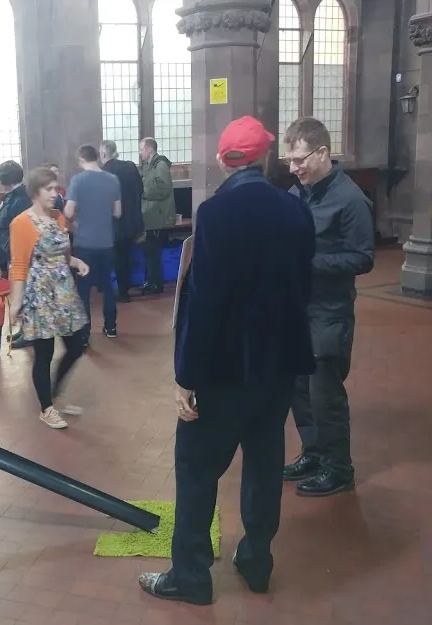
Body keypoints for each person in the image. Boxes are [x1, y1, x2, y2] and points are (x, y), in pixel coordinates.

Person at [138, 116, 316, 605]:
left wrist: (185, 376)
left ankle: (191, 577)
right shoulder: (295, 210)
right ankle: (257, 560)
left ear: (222, 159)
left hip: (223, 370)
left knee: (197, 469)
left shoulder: (215, 214)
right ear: (263, 158)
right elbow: (304, 286)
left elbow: (206, 300)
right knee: (264, 462)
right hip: (278, 367)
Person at [280, 117, 375, 498]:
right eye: (289, 160)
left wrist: (306, 264)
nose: (293, 168)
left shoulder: (351, 200)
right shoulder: (300, 191)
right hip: (297, 309)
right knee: (298, 388)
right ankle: (313, 453)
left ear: (323, 153)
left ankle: (339, 469)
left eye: (300, 159)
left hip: (329, 313)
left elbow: (363, 258)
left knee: (325, 394)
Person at [8, 167, 91, 429]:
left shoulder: (58, 218)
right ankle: (46, 408)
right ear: (35, 192)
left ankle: (53, 394)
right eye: (50, 189)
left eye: (57, 189)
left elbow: (63, 254)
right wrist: (16, 303)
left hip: (64, 290)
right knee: (43, 353)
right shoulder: (21, 223)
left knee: (77, 345)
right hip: (40, 293)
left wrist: (76, 262)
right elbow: (19, 266)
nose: (56, 194)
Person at [63, 145, 122, 339]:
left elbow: (69, 213)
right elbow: (117, 212)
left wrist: (76, 218)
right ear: (97, 157)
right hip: (107, 242)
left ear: (81, 160)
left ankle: (84, 335)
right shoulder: (113, 180)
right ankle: (111, 327)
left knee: (83, 291)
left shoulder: (77, 181)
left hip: (84, 243)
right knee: (108, 287)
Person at [99, 140, 144, 303]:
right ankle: (126, 286)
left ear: (104, 154)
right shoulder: (130, 166)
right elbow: (141, 189)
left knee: (117, 257)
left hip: (114, 221)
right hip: (133, 220)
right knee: (126, 255)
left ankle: (121, 291)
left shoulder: (104, 172)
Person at [139, 137, 176, 294]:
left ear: (149, 149)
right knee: (150, 251)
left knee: (154, 251)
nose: (140, 153)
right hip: (151, 215)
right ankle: (151, 280)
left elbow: (162, 188)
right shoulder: (150, 166)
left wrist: (142, 193)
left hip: (158, 216)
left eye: (141, 150)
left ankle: (156, 283)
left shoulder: (160, 165)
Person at [0, 160, 29, 273]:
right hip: (11, 250)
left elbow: (19, 229)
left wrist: (9, 250)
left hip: (16, 253)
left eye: (0, 179)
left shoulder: (20, 200)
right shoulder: (13, 197)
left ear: (7, 181)